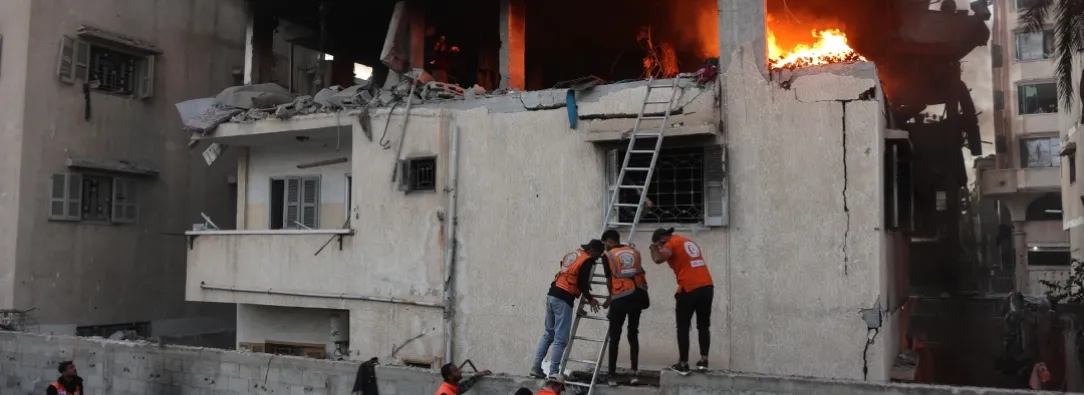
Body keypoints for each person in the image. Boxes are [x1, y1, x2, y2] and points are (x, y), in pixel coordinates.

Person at [530, 239, 606, 378]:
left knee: (548, 334)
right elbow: (582, 284)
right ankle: (553, 373)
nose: (597, 258)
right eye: (598, 254)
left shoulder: (575, 253)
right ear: (593, 250)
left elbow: (571, 275)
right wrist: (591, 299)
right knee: (561, 339)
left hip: (552, 294)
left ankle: (535, 367)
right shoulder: (587, 260)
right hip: (563, 299)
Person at [649, 227, 714, 375]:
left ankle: (683, 364)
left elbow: (658, 259)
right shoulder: (687, 241)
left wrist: (653, 248)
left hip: (689, 288)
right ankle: (704, 361)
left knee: (683, 327)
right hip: (707, 286)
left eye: (659, 245)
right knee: (703, 325)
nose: (660, 248)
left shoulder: (671, 244)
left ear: (662, 240)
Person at [600, 229, 649, 385]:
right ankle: (634, 373)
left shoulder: (608, 256)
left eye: (605, 244)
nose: (605, 247)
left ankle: (612, 375)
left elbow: (609, 281)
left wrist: (610, 298)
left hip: (621, 297)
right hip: (638, 295)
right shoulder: (634, 251)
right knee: (633, 334)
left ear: (609, 241)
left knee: (614, 337)